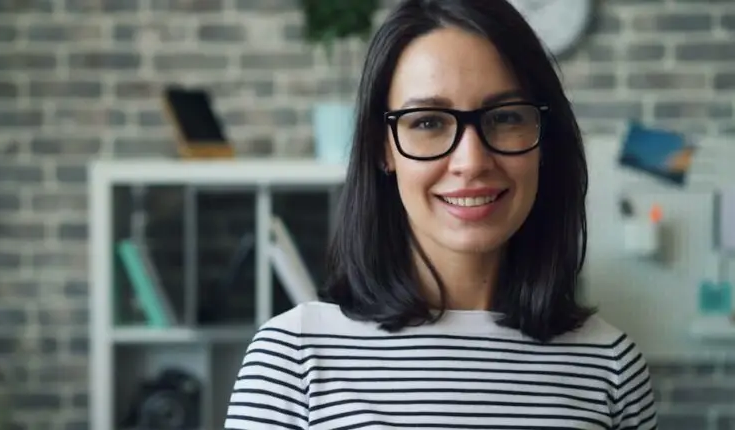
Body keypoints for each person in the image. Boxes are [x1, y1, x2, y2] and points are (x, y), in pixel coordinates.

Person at [224, 0, 658, 428]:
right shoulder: (293, 359)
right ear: (383, 148)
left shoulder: (611, 366)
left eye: (505, 117)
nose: (472, 161)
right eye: (429, 122)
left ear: (544, 139)